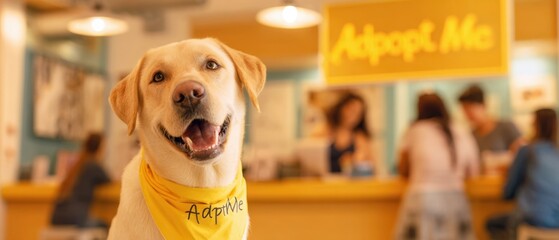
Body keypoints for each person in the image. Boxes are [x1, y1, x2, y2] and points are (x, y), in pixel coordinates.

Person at [395, 93, 480, 240]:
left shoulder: (414, 131)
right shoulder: (460, 131)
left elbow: (403, 169)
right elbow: (473, 171)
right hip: (456, 200)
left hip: (422, 200)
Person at [486, 108, 559, 239]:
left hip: (532, 220)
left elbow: (508, 192)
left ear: (536, 125)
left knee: (492, 223)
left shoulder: (527, 151)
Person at [458, 85, 524, 173]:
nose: (467, 114)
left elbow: (523, 155)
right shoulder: (471, 135)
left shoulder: (506, 127)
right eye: (464, 110)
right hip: (483, 184)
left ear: (483, 105)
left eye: (470, 108)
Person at [51, 133, 111, 228]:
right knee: (106, 226)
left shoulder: (77, 165)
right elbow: (108, 181)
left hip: (56, 218)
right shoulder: (93, 166)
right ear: (99, 148)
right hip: (76, 219)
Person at [327, 93, 373, 175]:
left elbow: (372, 165)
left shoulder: (360, 138)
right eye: (351, 110)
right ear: (342, 108)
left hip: (350, 184)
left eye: (358, 113)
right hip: (323, 184)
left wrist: (355, 160)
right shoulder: (324, 131)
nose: (353, 116)